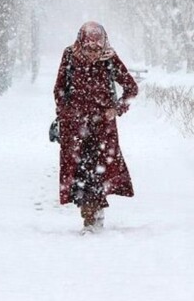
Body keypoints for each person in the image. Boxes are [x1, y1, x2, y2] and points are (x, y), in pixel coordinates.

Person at [53, 21, 138, 232]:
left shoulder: (109, 59)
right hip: (75, 128)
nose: (93, 53)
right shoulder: (70, 56)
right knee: (79, 173)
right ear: (81, 42)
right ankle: (89, 215)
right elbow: (59, 89)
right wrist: (66, 113)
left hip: (103, 129)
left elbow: (131, 88)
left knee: (98, 172)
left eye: (97, 48)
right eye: (89, 47)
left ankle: (93, 217)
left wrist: (116, 109)